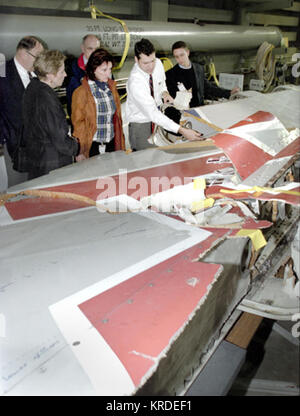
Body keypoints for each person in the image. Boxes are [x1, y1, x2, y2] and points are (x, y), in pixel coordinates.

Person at [126, 38, 202, 151]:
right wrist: (182, 131)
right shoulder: (135, 82)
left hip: (160, 119)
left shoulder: (158, 64)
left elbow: (162, 85)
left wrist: (164, 93)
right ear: (136, 60)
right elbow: (152, 113)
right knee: (144, 159)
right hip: (142, 124)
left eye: (152, 60)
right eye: (146, 63)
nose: (151, 66)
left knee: (160, 156)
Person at [22, 50, 81, 179]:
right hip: (53, 165)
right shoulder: (47, 98)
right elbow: (59, 139)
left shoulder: (32, 88)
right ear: (50, 75)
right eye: (61, 72)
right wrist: (75, 145)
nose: (65, 74)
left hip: (37, 160)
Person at [0, 35, 45, 186]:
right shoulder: (2, 72)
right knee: (19, 189)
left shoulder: (37, 75)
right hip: (16, 146)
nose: (40, 61)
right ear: (24, 53)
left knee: (39, 185)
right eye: (38, 56)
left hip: (41, 145)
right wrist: (4, 137)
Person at [71, 48, 125, 158]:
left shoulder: (111, 88)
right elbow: (78, 125)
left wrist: (120, 144)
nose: (108, 73)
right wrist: (80, 151)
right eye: (104, 70)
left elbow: (117, 120)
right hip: (92, 146)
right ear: (93, 69)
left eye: (110, 69)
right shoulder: (81, 93)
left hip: (111, 143)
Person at [166, 41, 240, 110]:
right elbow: (172, 98)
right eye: (176, 56)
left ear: (188, 52)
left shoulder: (199, 68)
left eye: (182, 55)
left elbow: (208, 88)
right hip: (182, 113)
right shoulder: (170, 74)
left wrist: (229, 93)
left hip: (199, 109)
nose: (180, 59)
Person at [66, 34, 101, 117]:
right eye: (90, 49)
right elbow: (74, 96)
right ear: (82, 48)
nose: (94, 53)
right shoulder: (73, 68)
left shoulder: (105, 67)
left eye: (96, 49)